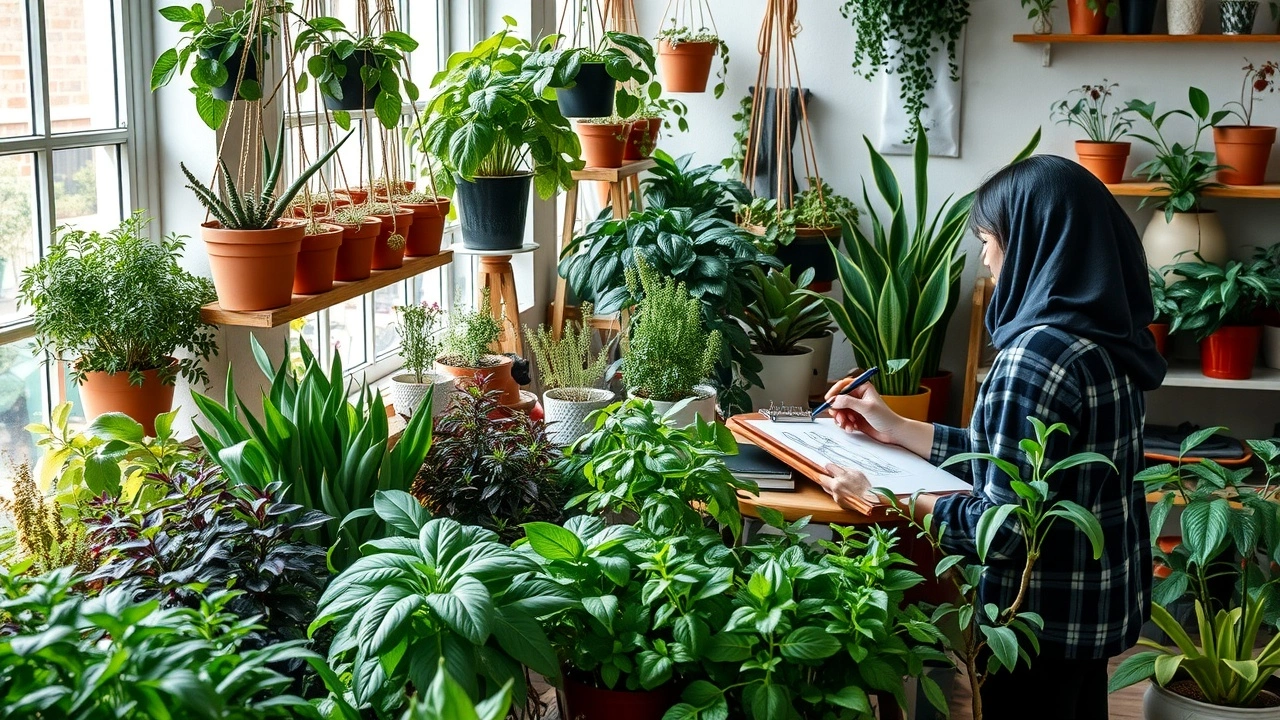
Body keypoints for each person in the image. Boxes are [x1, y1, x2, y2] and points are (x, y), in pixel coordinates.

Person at [814, 155, 1166, 720]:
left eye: (989, 239)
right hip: (1092, 610)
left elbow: (998, 530)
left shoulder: (1033, 358)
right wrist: (898, 428)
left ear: (1031, 240)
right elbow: (1019, 468)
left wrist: (884, 498)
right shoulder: (1105, 339)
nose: (984, 256)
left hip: (1033, 620)